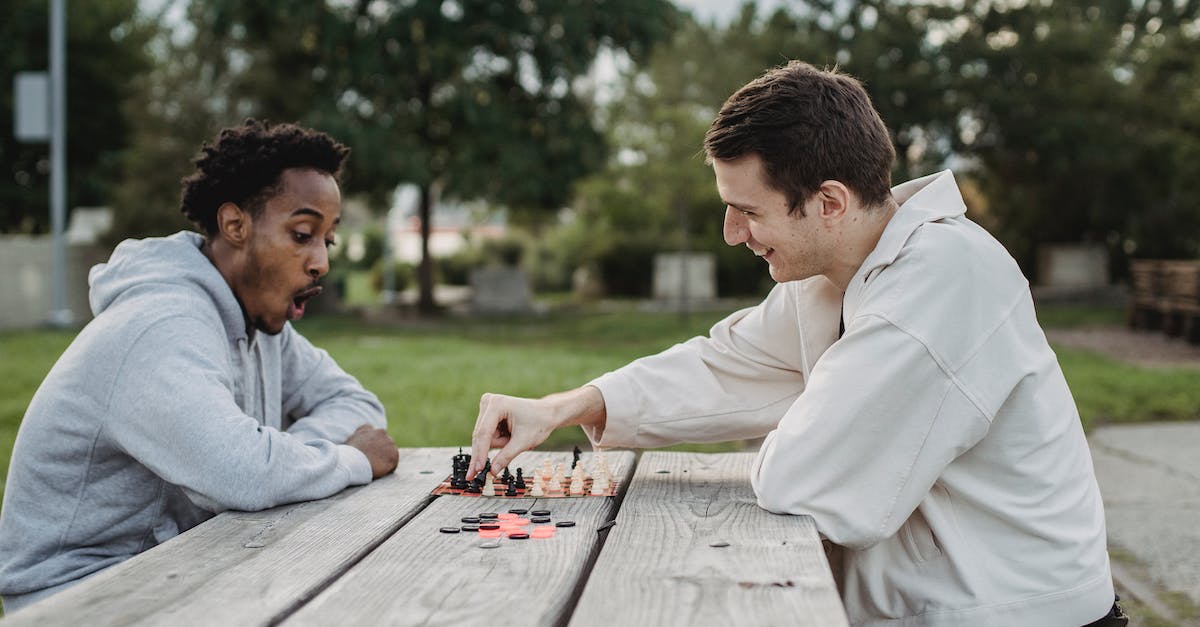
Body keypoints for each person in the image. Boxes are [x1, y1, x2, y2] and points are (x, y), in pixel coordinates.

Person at [469, 62, 1125, 626]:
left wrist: (794, 419)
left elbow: (803, 478)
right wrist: (562, 407)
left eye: (749, 211)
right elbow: (725, 365)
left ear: (830, 202)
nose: (731, 233)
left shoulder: (943, 283)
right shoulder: (839, 274)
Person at [0, 120, 399, 613]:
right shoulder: (162, 325)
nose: (320, 262)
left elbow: (357, 405)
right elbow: (241, 472)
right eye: (302, 234)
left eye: (328, 240)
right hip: (81, 597)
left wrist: (285, 456)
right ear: (235, 225)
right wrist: (349, 459)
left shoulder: (260, 325)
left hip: (180, 566)